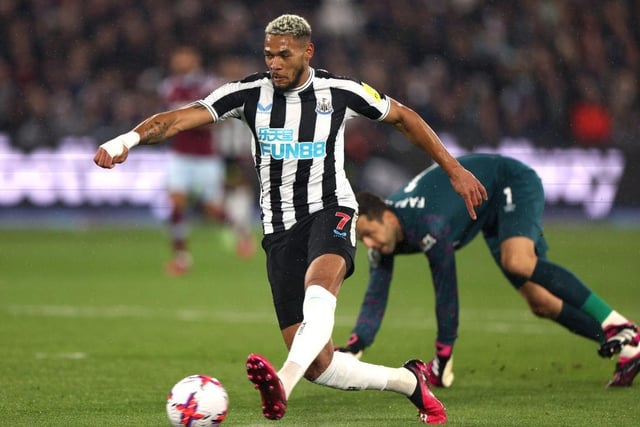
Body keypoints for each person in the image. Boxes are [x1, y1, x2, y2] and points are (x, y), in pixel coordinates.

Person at [93, 14, 488, 424]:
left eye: (284, 55)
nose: (275, 63)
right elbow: (175, 119)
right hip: (279, 229)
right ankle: (411, 384)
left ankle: (282, 382)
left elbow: (404, 117)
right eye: (269, 55)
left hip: (331, 209)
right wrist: (127, 139)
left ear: (307, 51)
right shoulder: (246, 94)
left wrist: (455, 170)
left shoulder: (340, 92)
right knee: (321, 365)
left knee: (320, 289)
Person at [336, 153, 640, 388]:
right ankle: (629, 350)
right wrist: (356, 344)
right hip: (487, 210)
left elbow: (446, 288)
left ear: (387, 218)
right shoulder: (387, 236)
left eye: (368, 234)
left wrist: (443, 355)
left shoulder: (427, 223)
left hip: (510, 182)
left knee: (518, 261)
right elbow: (377, 291)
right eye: (362, 239)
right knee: (541, 302)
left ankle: (617, 325)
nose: (368, 244)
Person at [158, 46, 226, 275]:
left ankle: (238, 232)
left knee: (213, 209)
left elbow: (217, 119)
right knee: (176, 202)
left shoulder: (209, 86)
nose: (179, 61)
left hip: (206, 157)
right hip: (180, 154)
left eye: (184, 57)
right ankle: (181, 257)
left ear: (194, 60)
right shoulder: (169, 86)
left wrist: (187, 121)